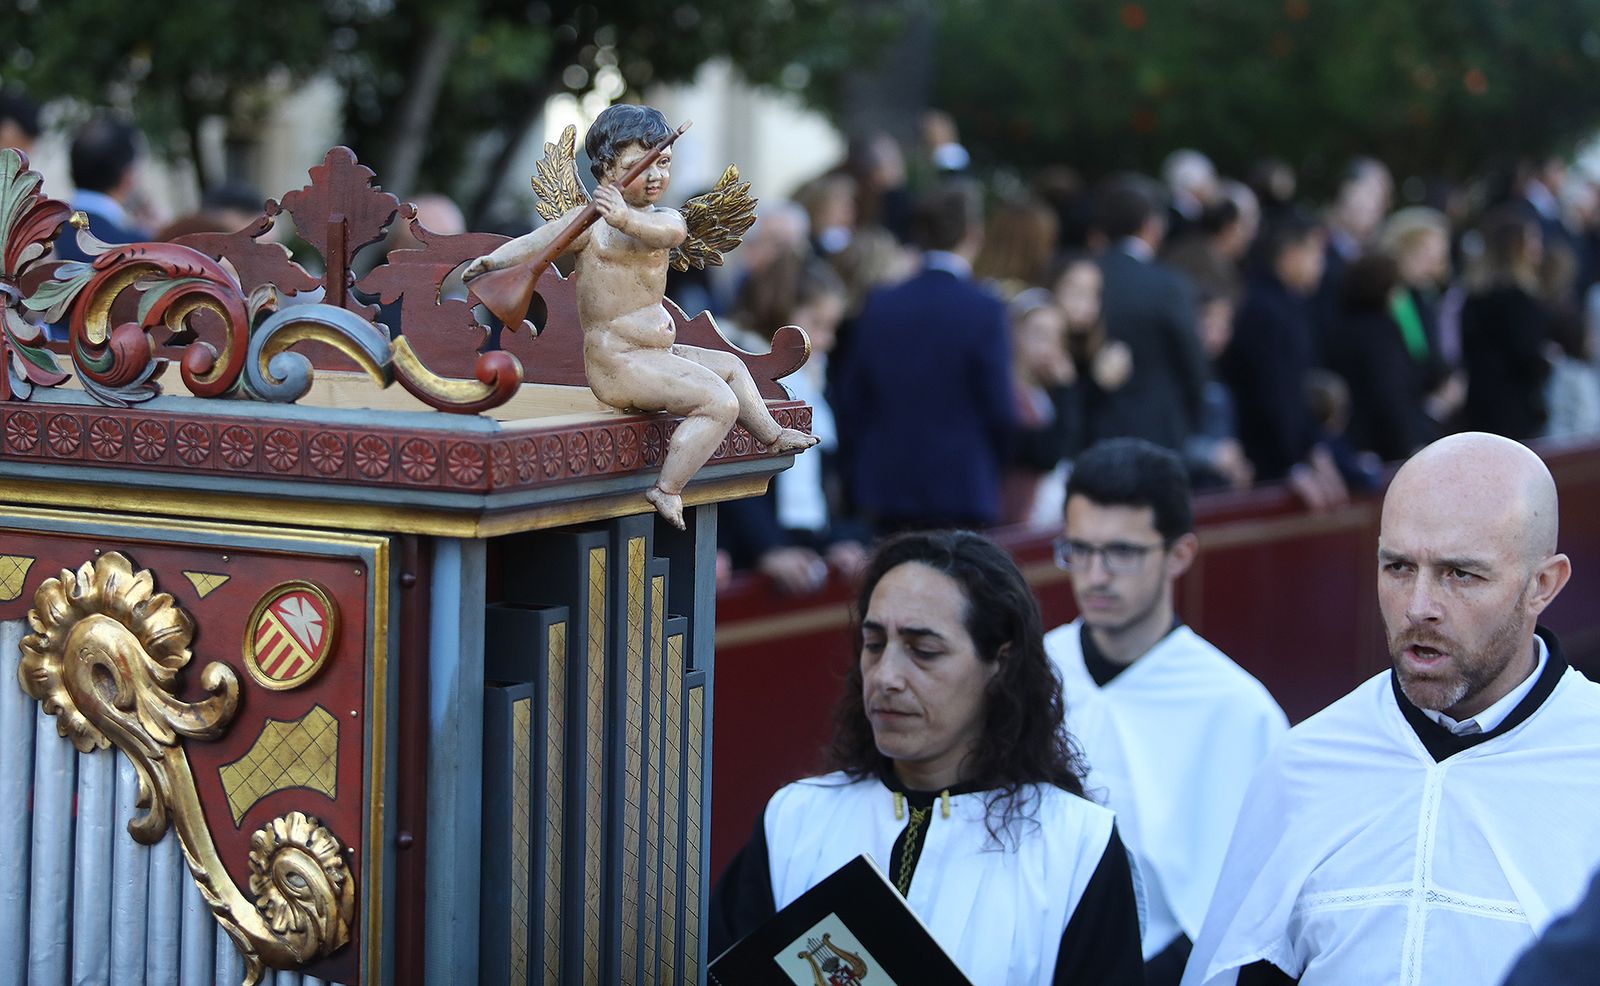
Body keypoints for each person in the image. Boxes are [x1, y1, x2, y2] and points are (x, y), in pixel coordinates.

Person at [1183, 432, 1600, 986]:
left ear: (1542, 585)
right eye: (1398, 567)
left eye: (1460, 574)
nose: (1419, 607)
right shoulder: (1305, 765)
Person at [708, 530, 1146, 984]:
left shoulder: (1075, 845)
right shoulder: (796, 820)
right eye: (874, 645)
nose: (887, 677)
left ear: (1001, 662)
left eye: (924, 651)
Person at [464, 104, 816, 529]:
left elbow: (667, 235)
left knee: (731, 367)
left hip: (657, 352)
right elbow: (536, 245)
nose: (655, 177)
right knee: (717, 403)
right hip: (618, 363)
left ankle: (771, 435)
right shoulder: (589, 224)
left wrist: (624, 215)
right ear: (607, 171)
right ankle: (667, 489)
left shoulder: (665, 219)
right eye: (639, 167)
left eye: (663, 164)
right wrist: (491, 261)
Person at [1043, 439, 1287, 985]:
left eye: (1122, 552)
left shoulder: (1238, 710)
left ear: (1179, 555)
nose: (1095, 575)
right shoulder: (1031, 674)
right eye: (1078, 550)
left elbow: (1253, 906)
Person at [834, 179, 1015, 533]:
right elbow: (1000, 409)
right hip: (962, 483)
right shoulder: (984, 308)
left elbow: (852, 398)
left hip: (888, 483)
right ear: (973, 234)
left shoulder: (882, 303)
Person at [1092, 175, 1209, 454]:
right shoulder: (1168, 284)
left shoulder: (1080, 276)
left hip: (1091, 428)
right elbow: (1192, 362)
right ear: (1152, 226)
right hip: (1158, 432)